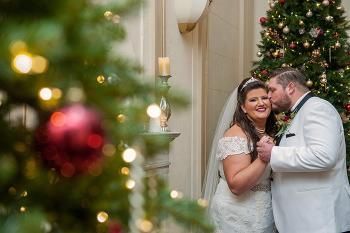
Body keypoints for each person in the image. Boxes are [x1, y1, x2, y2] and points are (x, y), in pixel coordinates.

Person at [257, 67, 350, 233]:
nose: (268, 96)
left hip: (319, 219)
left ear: (291, 87)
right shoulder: (298, 112)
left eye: (272, 89)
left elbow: (324, 156)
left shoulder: (317, 108)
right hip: (304, 217)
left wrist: (274, 153)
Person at [202, 77, 277, 233]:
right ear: (243, 107)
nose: (261, 103)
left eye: (264, 98)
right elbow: (236, 185)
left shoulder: (270, 132)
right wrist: (264, 157)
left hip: (263, 213)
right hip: (236, 216)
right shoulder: (236, 136)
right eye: (253, 100)